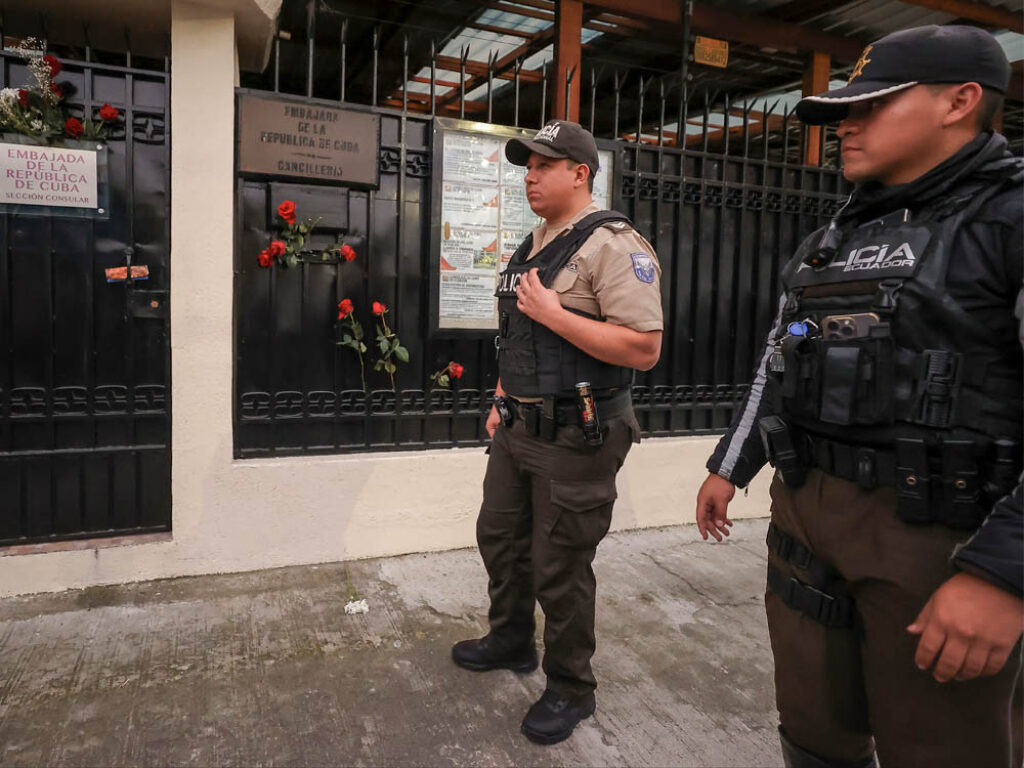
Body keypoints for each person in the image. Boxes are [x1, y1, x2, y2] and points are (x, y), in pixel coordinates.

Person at [695, 24, 1023, 768]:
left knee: (943, 743)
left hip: (943, 535)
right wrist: (730, 465)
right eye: (845, 110)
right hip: (806, 516)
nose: (845, 124)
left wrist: (1004, 573)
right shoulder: (831, 238)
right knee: (814, 725)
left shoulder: (1008, 217)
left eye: (873, 105)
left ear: (960, 102)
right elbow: (779, 358)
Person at [451, 119, 663, 745]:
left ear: (580, 173)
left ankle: (571, 686)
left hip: (578, 433)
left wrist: (555, 314)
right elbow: (517, 335)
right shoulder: (535, 243)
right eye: (528, 166)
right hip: (518, 426)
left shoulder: (614, 245)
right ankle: (511, 640)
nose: (530, 177)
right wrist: (500, 397)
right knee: (501, 539)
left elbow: (644, 348)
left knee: (560, 563)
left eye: (544, 165)